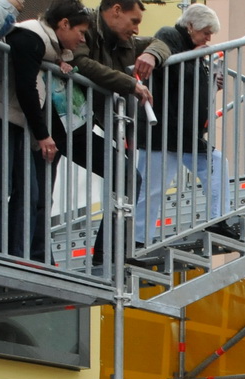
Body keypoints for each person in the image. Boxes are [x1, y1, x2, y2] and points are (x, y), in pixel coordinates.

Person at [0, 0, 88, 260]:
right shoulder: (31, 36)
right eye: (81, 32)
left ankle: (19, 254)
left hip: (14, 118)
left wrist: (62, 61)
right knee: (1, 186)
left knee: (27, 191)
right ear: (64, 24)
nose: (82, 39)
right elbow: (26, 88)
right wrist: (43, 135)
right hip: (0, 114)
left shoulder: (44, 43)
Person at [66, 0, 170, 265]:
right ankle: (32, 254)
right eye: (133, 21)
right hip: (59, 118)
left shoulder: (123, 41)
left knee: (127, 176)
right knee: (40, 188)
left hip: (81, 123)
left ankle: (108, 253)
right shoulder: (84, 25)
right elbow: (80, 62)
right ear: (115, 11)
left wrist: (152, 55)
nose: (136, 29)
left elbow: (163, 40)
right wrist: (130, 84)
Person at [135, 3, 225, 244]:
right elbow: (163, 54)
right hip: (163, 130)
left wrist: (211, 84)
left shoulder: (193, 51)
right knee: (150, 190)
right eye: (206, 31)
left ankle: (218, 220)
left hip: (182, 133)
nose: (208, 37)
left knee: (216, 163)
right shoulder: (170, 35)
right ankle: (137, 241)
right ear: (190, 25)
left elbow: (190, 86)